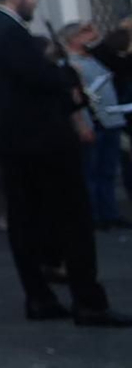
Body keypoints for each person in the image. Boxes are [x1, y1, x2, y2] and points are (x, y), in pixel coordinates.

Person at [0, 0, 131, 325]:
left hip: (11, 138)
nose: (35, 0)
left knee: (26, 219)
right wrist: (65, 75)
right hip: (42, 138)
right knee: (73, 218)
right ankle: (88, 302)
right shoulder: (10, 31)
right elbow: (37, 77)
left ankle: (39, 297)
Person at [65, 21, 126, 229]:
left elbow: (117, 65)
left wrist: (97, 40)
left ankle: (110, 213)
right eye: (84, 33)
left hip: (111, 119)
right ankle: (93, 216)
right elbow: (76, 96)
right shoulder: (72, 63)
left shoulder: (96, 58)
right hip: (94, 121)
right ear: (73, 39)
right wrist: (83, 125)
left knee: (107, 170)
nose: (89, 36)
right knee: (91, 171)